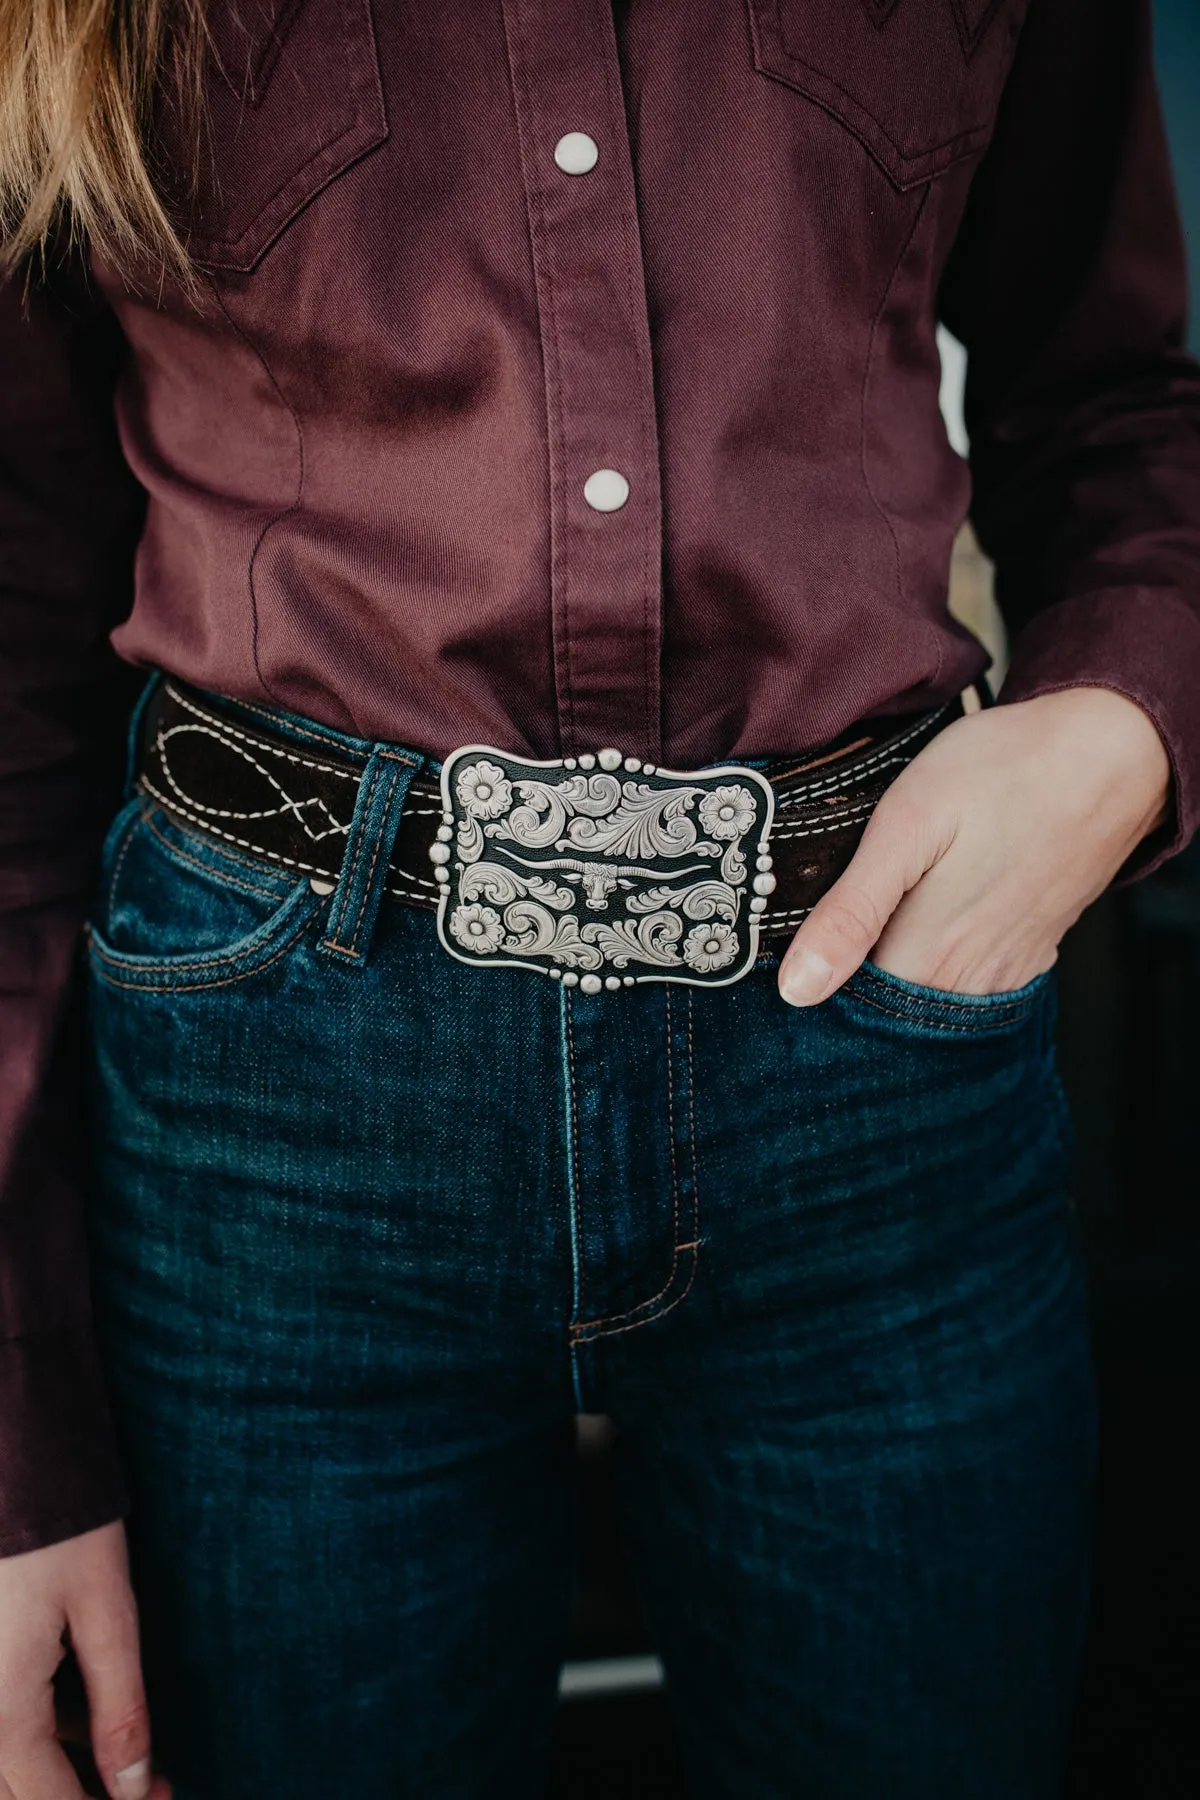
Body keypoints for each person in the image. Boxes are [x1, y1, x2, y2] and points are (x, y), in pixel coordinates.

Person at [1, 1, 1197, 1796]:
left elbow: (1119, 406)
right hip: (273, 1103)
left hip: (872, 1053)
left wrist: (1126, 720)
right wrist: (19, 1441)